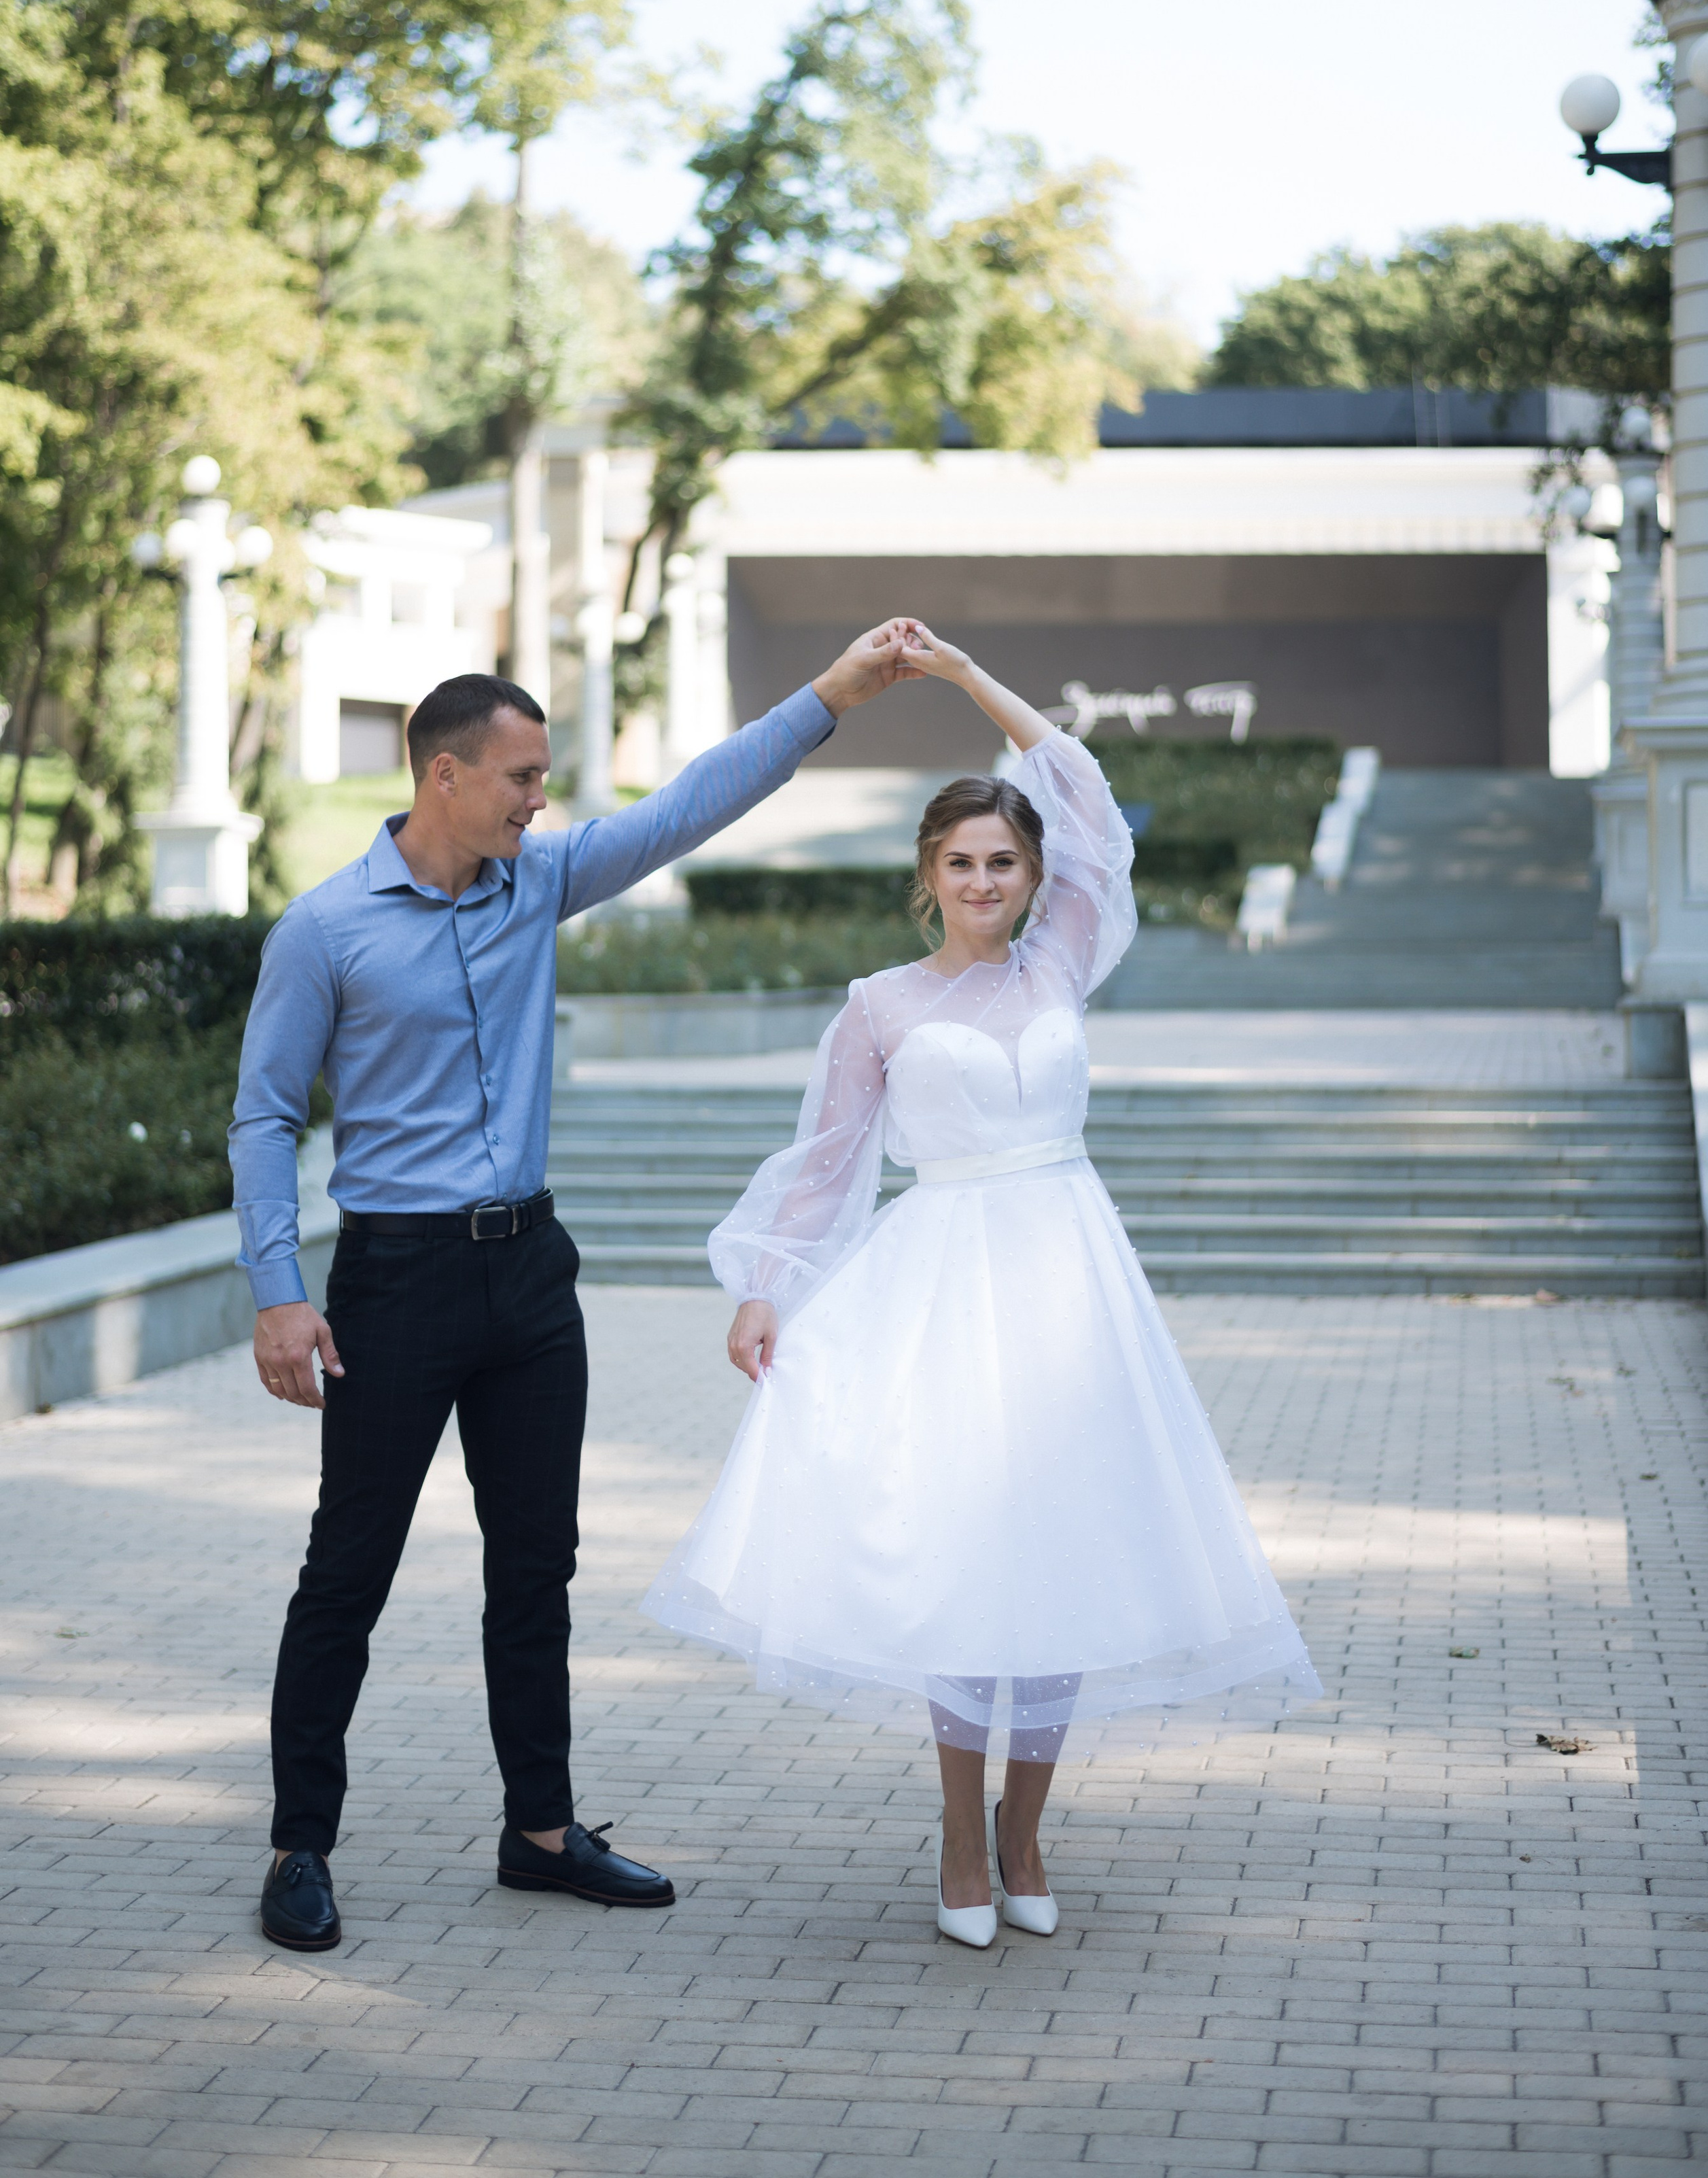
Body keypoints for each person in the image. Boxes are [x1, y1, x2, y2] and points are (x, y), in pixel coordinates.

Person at [231, 627, 919, 1952]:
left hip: (531, 1278)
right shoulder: (324, 930)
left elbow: (684, 807)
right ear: (444, 775)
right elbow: (265, 1119)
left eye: (542, 778)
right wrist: (277, 1287)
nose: (540, 797)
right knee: (348, 1571)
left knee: (535, 1563)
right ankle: (298, 1844)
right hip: (394, 1279)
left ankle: (539, 1832)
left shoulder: (534, 882)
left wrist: (830, 697)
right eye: (520, 775)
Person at [644, 625, 1321, 1948]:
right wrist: (764, 1290)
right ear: (927, 876)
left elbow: (1082, 791)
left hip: (1069, 1278)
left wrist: (961, 680)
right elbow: (826, 1162)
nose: (983, 879)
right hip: (946, 1283)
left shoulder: (1062, 956)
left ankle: (1025, 1826)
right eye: (958, 861)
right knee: (965, 1554)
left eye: (1001, 860)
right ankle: (960, 1833)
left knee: (1057, 1550)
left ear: (1026, 876)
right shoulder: (880, 1007)